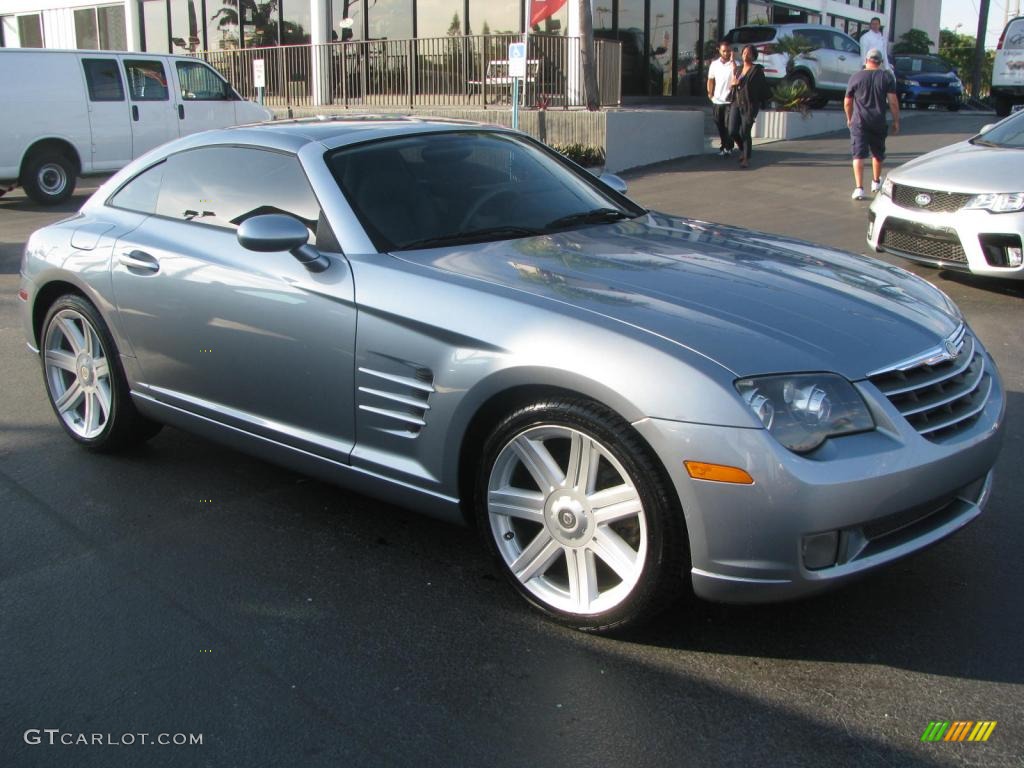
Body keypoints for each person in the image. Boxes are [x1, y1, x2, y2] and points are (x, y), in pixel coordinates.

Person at [845, 48, 900, 200]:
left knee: (858, 155)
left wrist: (849, 118)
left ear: (866, 60)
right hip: (878, 120)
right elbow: (893, 102)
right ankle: (876, 182)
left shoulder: (855, 77)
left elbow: (848, 101)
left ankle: (859, 188)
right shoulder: (886, 77)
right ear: (881, 62)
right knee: (877, 153)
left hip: (859, 121)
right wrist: (896, 121)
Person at [728, 45, 773, 169]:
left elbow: (758, 88)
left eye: (748, 53)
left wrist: (740, 83)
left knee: (745, 131)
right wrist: (734, 83)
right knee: (732, 131)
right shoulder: (738, 69)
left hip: (750, 105)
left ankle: (746, 158)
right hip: (736, 103)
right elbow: (733, 83)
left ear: (753, 56)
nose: (745, 55)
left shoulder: (756, 70)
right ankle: (743, 149)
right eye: (744, 53)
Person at [707, 41, 737, 156]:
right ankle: (724, 145)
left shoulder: (735, 63)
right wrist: (710, 94)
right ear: (719, 50)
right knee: (719, 124)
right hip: (717, 100)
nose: (726, 53)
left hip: (730, 100)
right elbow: (710, 79)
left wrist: (733, 61)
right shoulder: (714, 64)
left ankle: (728, 147)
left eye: (728, 51)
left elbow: (736, 76)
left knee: (728, 126)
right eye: (724, 51)